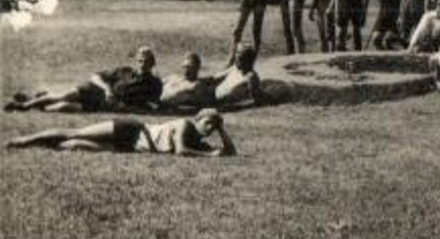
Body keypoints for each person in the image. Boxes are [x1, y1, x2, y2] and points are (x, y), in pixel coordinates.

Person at [7, 109, 236, 156]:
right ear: (198, 118)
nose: (210, 127)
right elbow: (181, 151)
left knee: (75, 145)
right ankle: (25, 140)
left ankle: (40, 146)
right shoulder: (185, 125)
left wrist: (222, 128)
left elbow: (231, 153)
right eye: (209, 121)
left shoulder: (199, 141)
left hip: (133, 147)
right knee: (75, 133)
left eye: (214, 126)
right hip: (132, 128)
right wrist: (209, 156)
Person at [7, 47, 163, 113]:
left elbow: (151, 107)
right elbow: (95, 76)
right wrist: (107, 89)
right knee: (64, 96)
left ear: (153, 63)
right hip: (95, 90)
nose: (143, 64)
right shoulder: (124, 70)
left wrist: (123, 106)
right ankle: (24, 106)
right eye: (140, 60)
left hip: (104, 105)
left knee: (63, 107)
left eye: (147, 61)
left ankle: (39, 101)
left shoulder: (154, 83)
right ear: (135, 61)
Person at [212, 45, 262, 110]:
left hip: (223, 103)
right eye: (236, 58)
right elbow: (214, 78)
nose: (236, 61)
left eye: (240, 59)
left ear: (248, 61)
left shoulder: (251, 77)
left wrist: (236, 107)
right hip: (213, 96)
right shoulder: (235, 69)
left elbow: (255, 100)